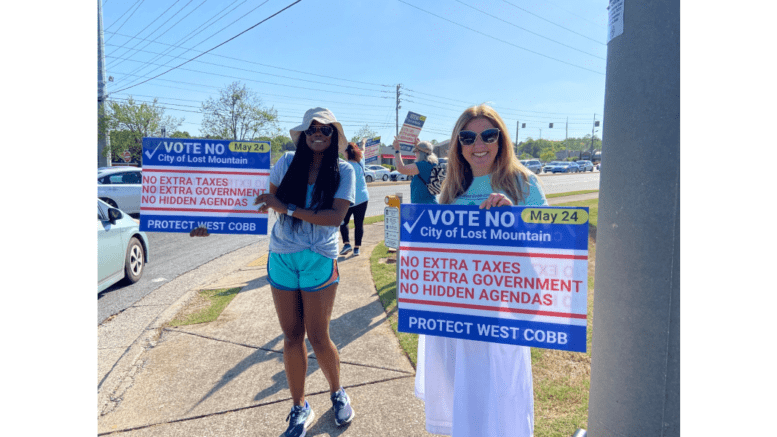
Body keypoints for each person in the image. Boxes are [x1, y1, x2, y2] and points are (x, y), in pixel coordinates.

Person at [192, 107, 356, 437]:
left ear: (334, 134)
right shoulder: (285, 164)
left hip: (318, 257)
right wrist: (208, 224)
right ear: (303, 135)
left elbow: (335, 218)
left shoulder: (345, 170)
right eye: (311, 129)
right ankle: (299, 406)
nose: (317, 134)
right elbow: (254, 204)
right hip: (281, 255)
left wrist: (288, 208)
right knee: (292, 336)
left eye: (325, 129)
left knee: (319, 337)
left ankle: (337, 393)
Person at [415, 104, 548, 437]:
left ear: (501, 140)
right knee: (464, 409)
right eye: (468, 136)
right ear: (458, 144)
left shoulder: (524, 184)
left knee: (504, 408)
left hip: (504, 318)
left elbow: (550, 254)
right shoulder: (451, 190)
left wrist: (513, 221)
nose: (479, 144)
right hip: (455, 319)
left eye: (489, 135)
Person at [339, 142, 370, 257]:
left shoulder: (344, 166)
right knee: (359, 223)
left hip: (349, 199)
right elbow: (363, 150)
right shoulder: (360, 162)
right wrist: (363, 143)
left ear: (347, 153)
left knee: (343, 221)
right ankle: (357, 248)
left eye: (344, 152)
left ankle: (347, 244)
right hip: (363, 198)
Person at [392, 137, 438, 204]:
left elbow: (400, 168)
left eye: (415, 152)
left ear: (419, 153)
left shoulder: (423, 165)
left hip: (423, 208)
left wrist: (397, 150)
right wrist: (418, 146)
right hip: (431, 205)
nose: (415, 154)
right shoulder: (433, 164)